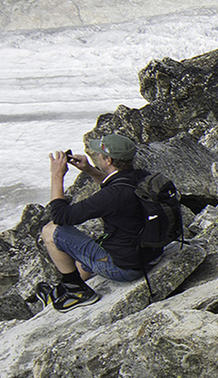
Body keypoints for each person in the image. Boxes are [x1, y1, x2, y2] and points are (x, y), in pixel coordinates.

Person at [40, 132, 159, 310]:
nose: (96, 157)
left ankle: (78, 291)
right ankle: (64, 288)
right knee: (82, 263)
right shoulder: (141, 177)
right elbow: (114, 185)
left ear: (108, 161)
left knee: (50, 230)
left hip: (125, 268)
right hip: (150, 254)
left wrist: (57, 175)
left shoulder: (113, 195)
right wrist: (88, 169)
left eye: (98, 155)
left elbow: (61, 216)